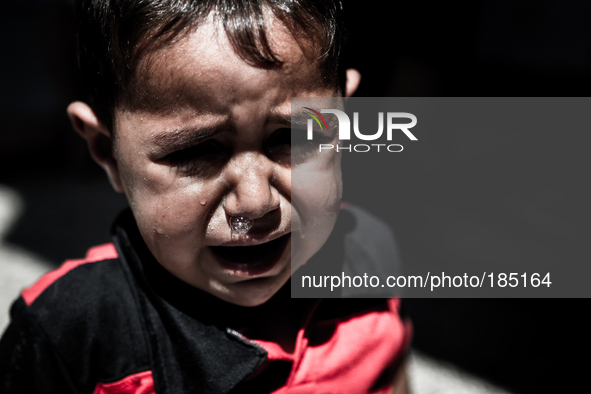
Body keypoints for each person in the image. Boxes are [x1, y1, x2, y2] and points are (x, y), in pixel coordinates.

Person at [0, 1, 411, 392]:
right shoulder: (71, 335)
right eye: (196, 151)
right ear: (107, 151)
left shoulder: (371, 254)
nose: (255, 202)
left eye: (292, 138)